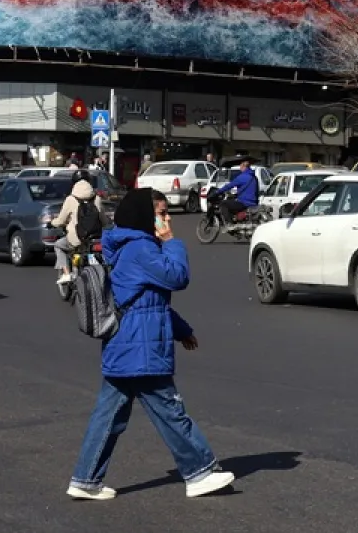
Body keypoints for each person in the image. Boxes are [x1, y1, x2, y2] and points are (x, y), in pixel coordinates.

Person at [67, 189, 234, 501]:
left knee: (108, 416)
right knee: (170, 409)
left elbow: (149, 303)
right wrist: (172, 242)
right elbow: (177, 276)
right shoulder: (142, 248)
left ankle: (86, 479)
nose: (167, 218)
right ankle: (200, 472)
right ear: (145, 216)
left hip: (126, 344)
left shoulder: (131, 247)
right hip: (139, 349)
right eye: (161, 212)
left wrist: (181, 329)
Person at [52, 177, 95, 285]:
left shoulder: (70, 199)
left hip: (76, 238)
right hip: (94, 239)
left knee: (58, 245)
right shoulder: (96, 199)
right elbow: (104, 220)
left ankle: (66, 274)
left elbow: (61, 220)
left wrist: (53, 222)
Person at [217, 156, 260, 222]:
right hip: (254, 203)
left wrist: (217, 191)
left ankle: (229, 224)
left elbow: (228, 186)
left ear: (243, 166)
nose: (240, 167)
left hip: (244, 203)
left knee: (224, 204)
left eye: (240, 165)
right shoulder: (254, 177)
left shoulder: (242, 177)